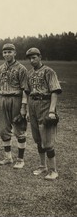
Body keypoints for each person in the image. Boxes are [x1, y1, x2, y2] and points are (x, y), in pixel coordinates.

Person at [25, 47, 62, 180]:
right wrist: (28, 111)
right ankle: (42, 166)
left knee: (47, 140)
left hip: (45, 104)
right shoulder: (29, 73)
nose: (32, 60)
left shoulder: (49, 71)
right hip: (33, 105)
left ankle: (53, 170)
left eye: (34, 57)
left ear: (40, 57)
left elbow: (55, 92)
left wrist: (52, 110)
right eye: (30, 58)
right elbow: (28, 92)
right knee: (38, 139)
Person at [0, 43, 28, 169]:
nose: (7, 54)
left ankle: (20, 159)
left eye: (10, 52)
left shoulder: (21, 69)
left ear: (15, 53)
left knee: (19, 129)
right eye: (5, 52)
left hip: (16, 98)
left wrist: (23, 106)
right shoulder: (0, 68)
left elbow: (25, 89)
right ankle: (8, 158)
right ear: (2, 54)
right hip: (3, 98)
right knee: (3, 130)